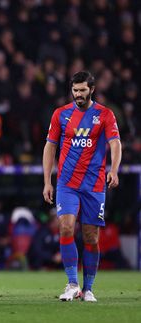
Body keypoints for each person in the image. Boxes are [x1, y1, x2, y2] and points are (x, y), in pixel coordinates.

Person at [43, 70, 121, 302]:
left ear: (92, 90)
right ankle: (71, 284)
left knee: (91, 237)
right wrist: (47, 181)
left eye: (82, 90)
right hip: (67, 184)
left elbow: (115, 143)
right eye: (75, 90)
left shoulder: (105, 115)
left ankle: (88, 289)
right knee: (66, 228)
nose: (78, 94)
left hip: (94, 185)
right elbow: (50, 147)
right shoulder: (61, 114)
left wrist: (114, 169)